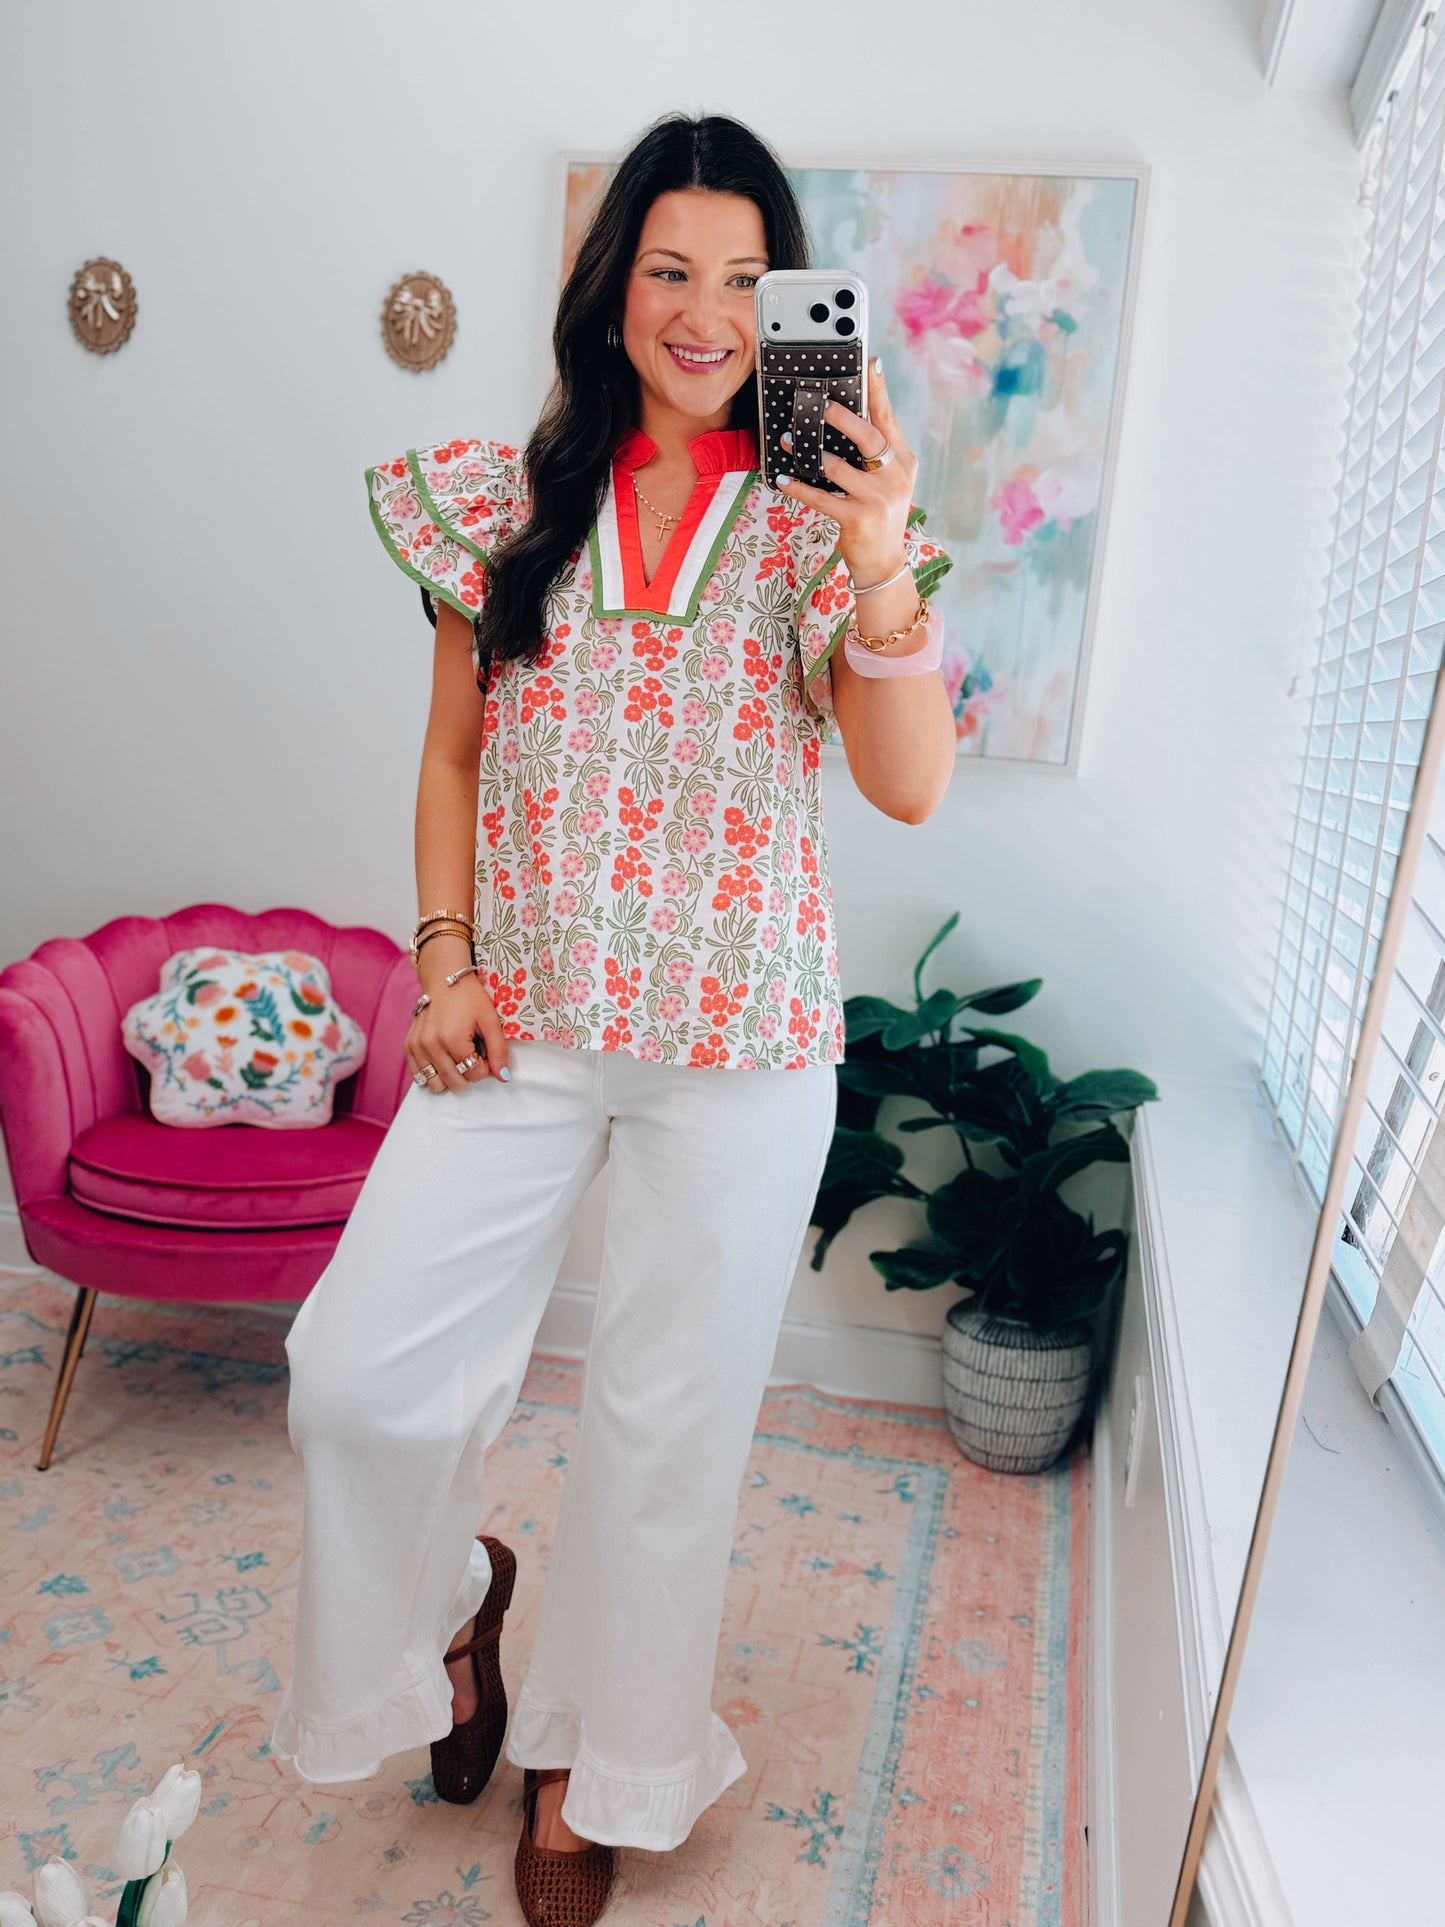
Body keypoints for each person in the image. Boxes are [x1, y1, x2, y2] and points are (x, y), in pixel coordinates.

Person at [268, 109, 955, 1926]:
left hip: (742, 1047)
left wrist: (881, 547)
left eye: (746, 277)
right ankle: (449, 1626)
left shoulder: (824, 519)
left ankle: (593, 1758)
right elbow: (450, 754)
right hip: (528, 1024)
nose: (706, 310)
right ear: (613, 284)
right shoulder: (500, 498)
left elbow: (905, 785)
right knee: (352, 1377)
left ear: (787, 302)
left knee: (666, 1427)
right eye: (670, 268)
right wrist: (445, 959)